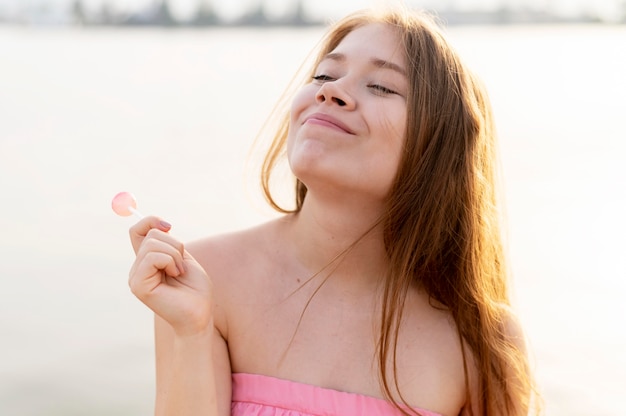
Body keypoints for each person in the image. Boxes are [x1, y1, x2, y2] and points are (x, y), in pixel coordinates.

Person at [127, 6, 538, 416]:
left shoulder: (480, 339)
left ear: (439, 147)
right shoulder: (203, 280)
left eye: (380, 86)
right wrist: (191, 330)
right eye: (324, 75)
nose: (330, 91)